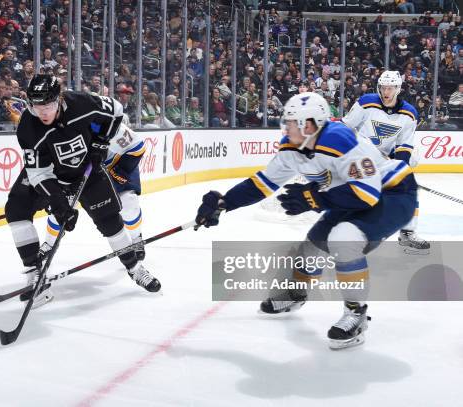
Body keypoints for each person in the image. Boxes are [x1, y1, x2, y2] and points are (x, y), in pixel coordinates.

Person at [195, 93, 418, 349]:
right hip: (353, 195)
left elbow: (367, 194)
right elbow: (262, 184)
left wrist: (314, 199)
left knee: (343, 240)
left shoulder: (340, 139)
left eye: (291, 122)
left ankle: (356, 313)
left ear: (310, 125)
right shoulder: (292, 148)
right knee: (313, 246)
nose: (286, 127)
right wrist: (225, 203)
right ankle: (296, 294)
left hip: (394, 194)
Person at [6, 75, 161, 308]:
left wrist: (101, 140)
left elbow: (116, 110)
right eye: (36, 107)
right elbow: (38, 172)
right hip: (52, 174)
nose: (43, 113)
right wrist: (58, 202)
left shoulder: (81, 103)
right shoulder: (28, 126)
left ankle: (135, 268)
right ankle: (35, 276)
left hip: (88, 171)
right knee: (16, 208)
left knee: (110, 221)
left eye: (47, 106)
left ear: (59, 99)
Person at [342, 71, 429, 252]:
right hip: (359, 155)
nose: (386, 91)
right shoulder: (366, 102)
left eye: (390, 88)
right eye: (383, 87)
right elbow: (346, 127)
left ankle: (407, 233)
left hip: (385, 157)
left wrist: (400, 171)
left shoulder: (409, 114)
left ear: (398, 89)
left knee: (408, 183)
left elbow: (404, 146)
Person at [44, 119, 148, 261]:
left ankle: (136, 239)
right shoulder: (65, 126)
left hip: (113, 167)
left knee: (128, 202)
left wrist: (120, 171)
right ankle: (49, 244)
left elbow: (137, 147)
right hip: (80, 171)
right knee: (61, 206)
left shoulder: (110, 127)